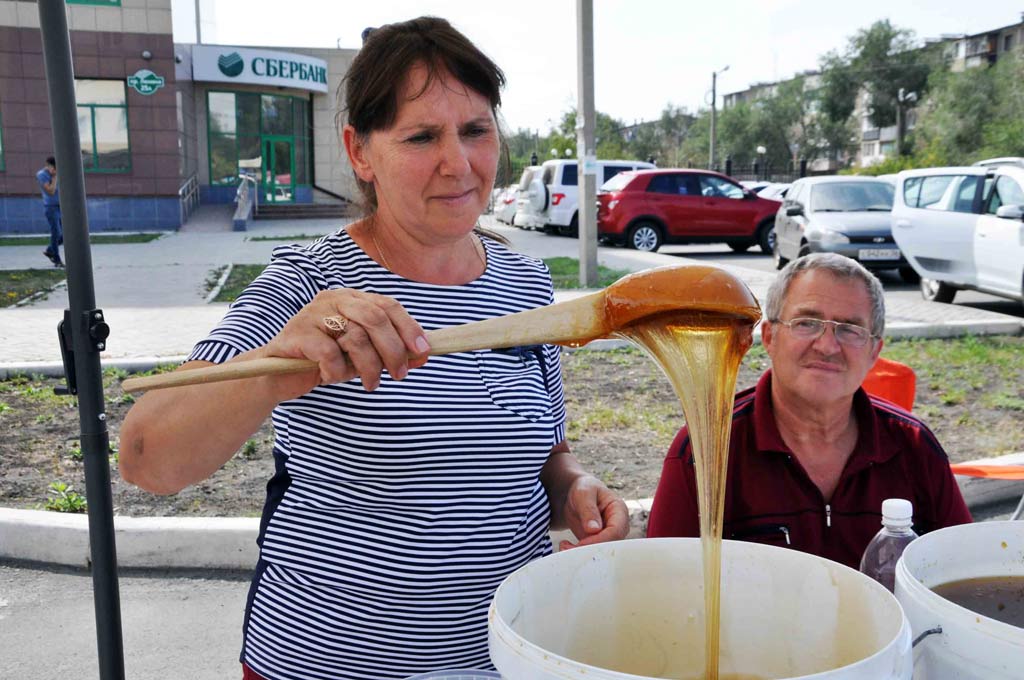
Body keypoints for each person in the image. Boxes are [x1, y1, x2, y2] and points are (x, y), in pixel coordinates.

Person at [119, 16, 628, 680]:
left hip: (506, 654)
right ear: (359, 151)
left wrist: (576, 487)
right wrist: (278, 363)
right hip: (325, 662)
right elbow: (147, 458)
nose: (459, 162)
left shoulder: (525, 282)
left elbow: (544, 449)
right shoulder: (309, 283)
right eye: (422, 136)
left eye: (475, 130)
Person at [647, 253, 971, 569]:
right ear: (770, 337)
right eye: (807, 323)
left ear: (874, 351)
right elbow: (661, 590)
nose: (828, 346)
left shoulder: (914, 447)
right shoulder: (705, 449)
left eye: (850, 328)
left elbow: (963, 576)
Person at [36, 156, 63, 267]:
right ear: (48, 165)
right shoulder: (41, 175)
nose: (56, 169)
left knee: (65, 235)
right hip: (51, 208)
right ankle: (57, 260)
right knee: (56, 233)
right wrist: (55, 176)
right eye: (53, 167)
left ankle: (50, 250)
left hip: (62, 207)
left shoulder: (59, 170)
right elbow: (51, 191)